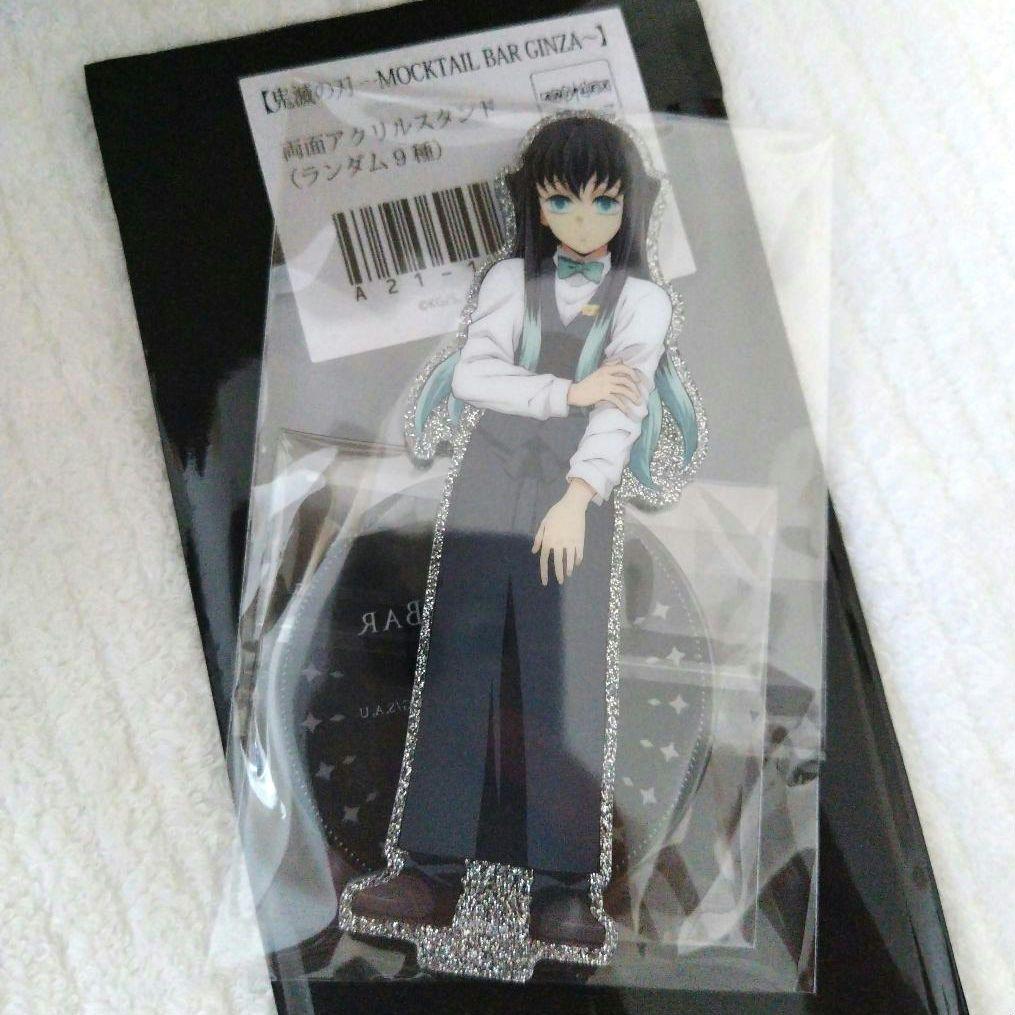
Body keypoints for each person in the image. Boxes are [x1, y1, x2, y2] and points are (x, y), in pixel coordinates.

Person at [346, 114, 700, 951]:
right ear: (533, 202)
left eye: (603, 203)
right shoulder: (510, 280)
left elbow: (622, 410)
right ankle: (429, 869)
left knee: (563, 675)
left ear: (631, 207)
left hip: (578, 487)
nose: (581, 221)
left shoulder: (642, 301)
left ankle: (562, 886)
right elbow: (475, 375)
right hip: (489, 474)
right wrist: (564, 393)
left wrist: (577, 497)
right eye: (560, 201)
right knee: (457, 659)